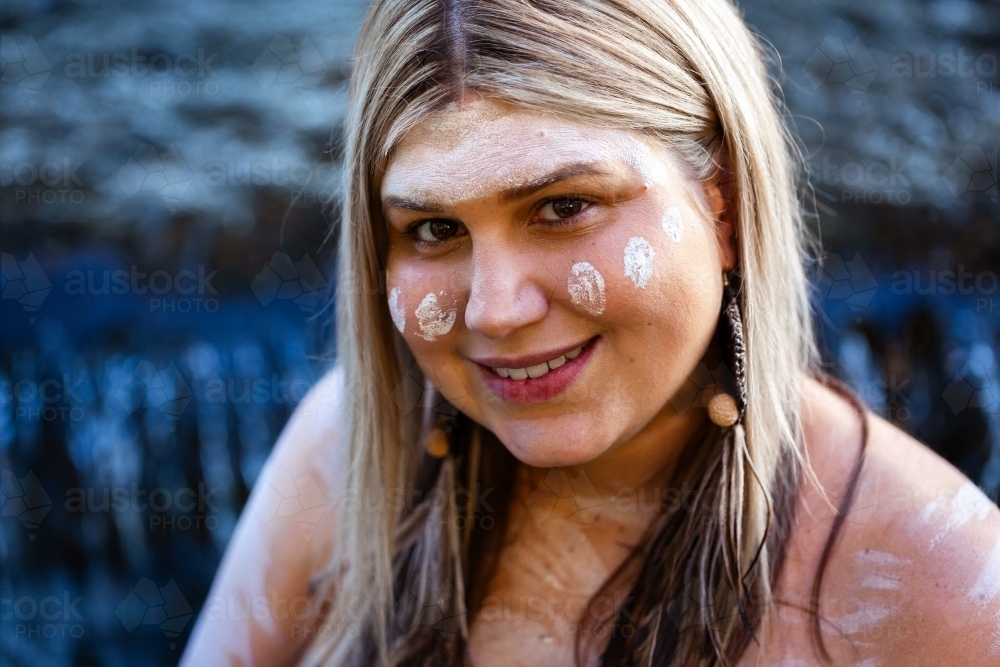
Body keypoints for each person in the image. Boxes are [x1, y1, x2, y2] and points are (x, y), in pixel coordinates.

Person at [180, 0, 1000, 665]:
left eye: (564, 207)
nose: (495, 310)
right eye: (433, 228)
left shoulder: (945, 589)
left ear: (724, 208)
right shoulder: (348, 449)